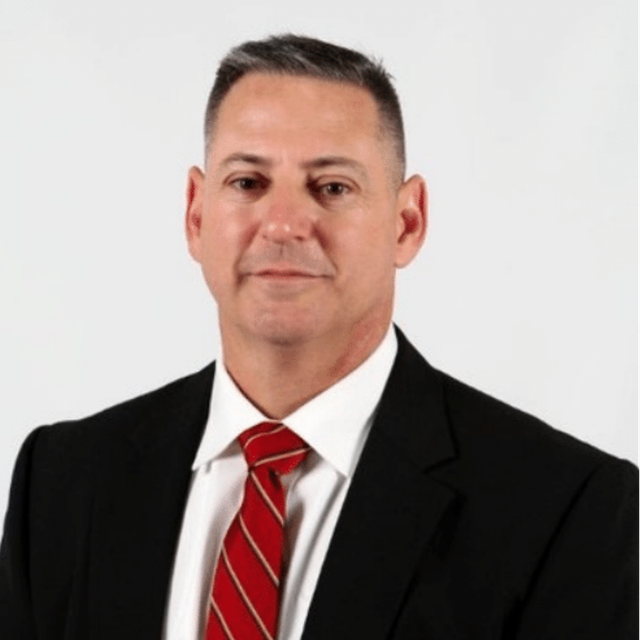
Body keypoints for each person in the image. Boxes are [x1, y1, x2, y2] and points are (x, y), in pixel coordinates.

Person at [0, 34, 638, 640]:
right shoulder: (62, 482)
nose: (282, 224)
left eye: (332, 187)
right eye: (248, 183)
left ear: (407, 223)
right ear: (196, 214)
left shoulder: (568, 510)